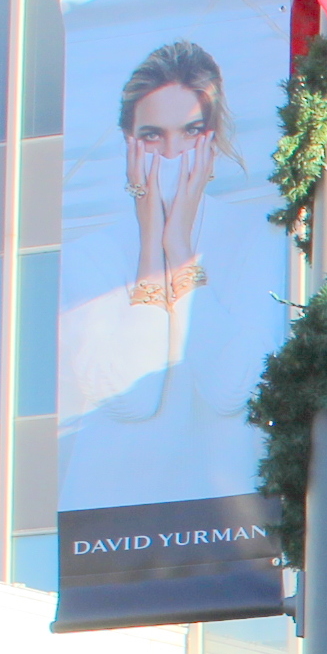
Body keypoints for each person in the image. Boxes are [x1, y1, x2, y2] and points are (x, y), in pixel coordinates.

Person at [69, 41, 277, 499]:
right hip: (113, 512)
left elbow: (232, 390)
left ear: (213, 139)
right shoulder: (91, 255)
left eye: (191, 132)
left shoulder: (259, 239)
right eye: (152, 136)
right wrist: (152, 244)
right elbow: (130, 399)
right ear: (128, 142)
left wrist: (179, 247)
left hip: (228, 513)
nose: (171, 153)